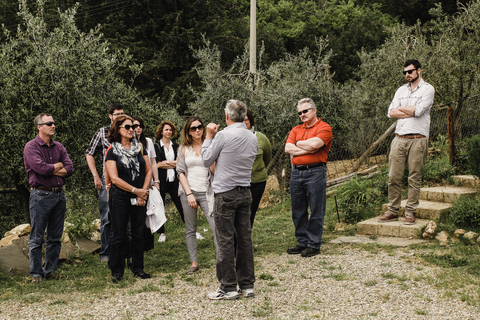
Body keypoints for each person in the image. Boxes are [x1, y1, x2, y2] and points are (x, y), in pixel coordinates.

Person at [202, 100, 258, 300]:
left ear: (227, 116)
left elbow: (206, 160)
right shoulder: (253, 137)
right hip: (245, 191)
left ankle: (228, 286)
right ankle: (247, 284)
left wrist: (208, 137)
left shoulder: (223, 135)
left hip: (225, 193)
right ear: (244, 117)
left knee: (225, 240)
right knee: (244, 239)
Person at [378, 59, 435, 225]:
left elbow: (418, 111)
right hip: (399, 138)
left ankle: (410, 212)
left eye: (410, 71)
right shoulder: (400, 90)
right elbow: (391, 112)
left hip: (418, 138)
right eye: (405, 72)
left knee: (414, 177)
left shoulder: (428, 89)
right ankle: (393, 210)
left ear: (419, 71)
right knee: (393, 176)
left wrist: (403, 109)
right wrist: (409, 110)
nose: (407, 75)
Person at [24, 113, 74, 283]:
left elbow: (70, 168)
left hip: (59, 195)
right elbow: (41, 169)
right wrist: (57, 166)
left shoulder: (59, 147)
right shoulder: (31, 147)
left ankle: (50, 271)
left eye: (54, 123)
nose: (53, 126)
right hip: (41, 195)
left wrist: (53, 168)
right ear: (39, 127)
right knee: (37, 236)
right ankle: (36, 274)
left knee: (55, 236)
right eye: (49, 123)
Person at [105, 115, 152, 282]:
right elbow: (114, 178)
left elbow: (148, 171)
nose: (132, 129)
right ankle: (117, 271)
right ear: (118, 130)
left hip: (139, 195)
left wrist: (143, 191)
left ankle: (138, 268)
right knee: (119, 233)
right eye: (127, 127)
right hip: (120, 197)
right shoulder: (112, 151)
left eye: (133, 126)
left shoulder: (140, 148)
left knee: (139, 233)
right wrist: (135, 190)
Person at [285, 98, 332, 258]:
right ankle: (302, 242)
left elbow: (315, 144)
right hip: (296, 173)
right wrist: (308, 149)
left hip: (315, 173)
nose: (302, 115)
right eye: (299, 113)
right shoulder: (296, 129)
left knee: (316, 209)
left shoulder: (324, 128)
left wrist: (299, 144)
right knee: (298, 210)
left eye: (305, 111)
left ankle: (313, 244)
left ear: (314, 110)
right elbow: (287, 148)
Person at [177, 116, 218, 275]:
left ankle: (221, 259)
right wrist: (189, 194)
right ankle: (194, 262)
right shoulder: (182, 148)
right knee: (190, 228)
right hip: (189, 191)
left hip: (208, 191)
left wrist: (211, 152)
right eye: (193, 128)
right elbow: (180, 171)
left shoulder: (211, 145)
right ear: (188, 131)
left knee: (216, 226)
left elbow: (215, 170)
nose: (197, 130)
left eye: (199, 127)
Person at [86, 104, 125, 263]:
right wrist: (95, 175)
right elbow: (89, 153)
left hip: (125, 180)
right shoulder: (102, 132)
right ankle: (105, 253)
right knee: (107, 217)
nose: (120, 116)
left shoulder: (128, 131)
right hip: (106, 179)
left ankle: (123, 251)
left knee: (124, 217)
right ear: (110, 116)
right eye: (117, 114)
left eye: (122, 113)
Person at [132, 116, 161, 251]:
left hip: (148, 180)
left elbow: (153, 162)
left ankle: (149, 243)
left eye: (140, 126)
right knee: (137, 213)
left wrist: (156, 181)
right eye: (135, 125)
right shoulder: (126, 143)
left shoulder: (148, 141)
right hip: (134, 181)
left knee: (149, 211)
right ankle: (138, 243)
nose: (138, 128)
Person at [154, 121, 185, 242]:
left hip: (174, 181)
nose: (168, 132)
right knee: (160, 207)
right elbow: (156, 164)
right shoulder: (156, 146)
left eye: (170, 130)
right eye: (166, 129)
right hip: (161, 181)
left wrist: (165, 163)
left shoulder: (176, 146)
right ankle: (162, 233)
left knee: (181, 205)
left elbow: (180, 163)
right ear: (161, 131)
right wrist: (171, 163)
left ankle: (191, 229)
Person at [244, 109, 272, 226]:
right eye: (240, 120)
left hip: (257, 182)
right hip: (238, 183)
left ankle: (244, 243)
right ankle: (235, 243)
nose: (244, 123)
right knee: (239, 215)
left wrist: (257, 169)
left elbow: (267, 157)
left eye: (246, 120)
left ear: (251, 121)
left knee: (250, 214)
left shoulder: (261, 138)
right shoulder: (232, 138)